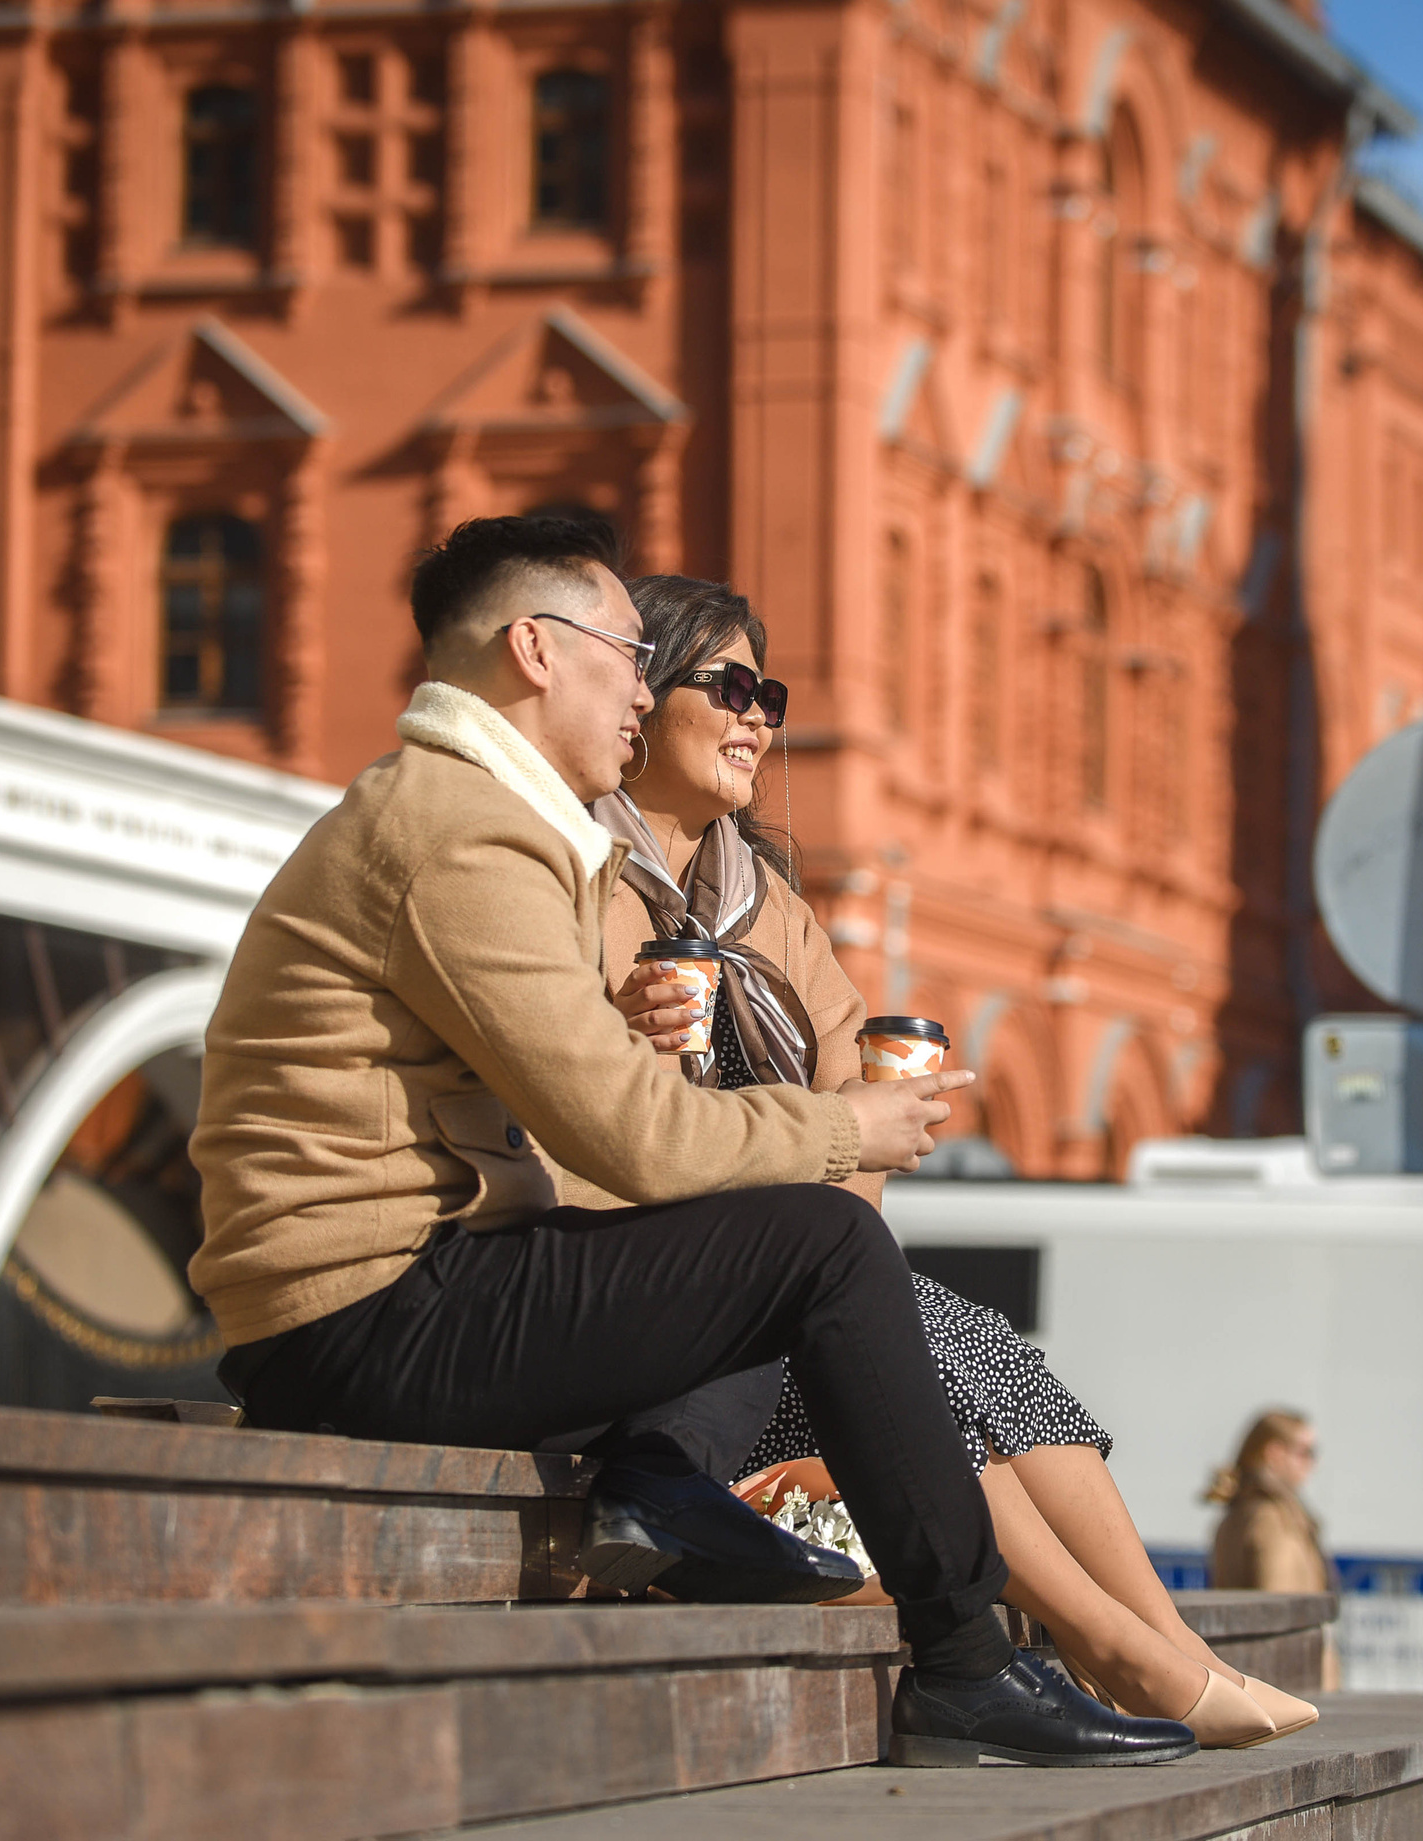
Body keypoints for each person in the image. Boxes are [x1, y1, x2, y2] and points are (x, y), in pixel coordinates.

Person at [186, 515, 1197, 1769]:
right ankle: (968, 1662)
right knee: (822, 1240)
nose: (642, 685)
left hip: (407, 1285)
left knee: (781, 1250)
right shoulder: (463, 829)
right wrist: (847, 1127)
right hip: (362, 1316)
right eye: (629, 653)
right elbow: (632, 1137)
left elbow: (578, 1106)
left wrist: (635, 1041)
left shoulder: (470, 815)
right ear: (536, 651)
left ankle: (668, 1486)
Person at [591, 573, 1320, 1749]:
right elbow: (597, 1124)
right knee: (919, 1333)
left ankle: (1162, 1643)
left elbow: (851, 1122)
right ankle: (1122, 1647)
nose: (757, 718)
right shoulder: (583, 874)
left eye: (767, 693)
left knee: (952, 1330)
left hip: (781, 1292)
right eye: (727, 686)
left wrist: (855, 1159)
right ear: (637, 694)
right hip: (653, 1304)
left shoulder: (763, 905)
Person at [1206, 1412, 1339, 1689]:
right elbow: (1280, 1614)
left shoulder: (1243, 1512)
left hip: (1261, 1677)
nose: (1314, 1463)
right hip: (1290, 1681)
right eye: (1306, 1452)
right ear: (1275, 1453)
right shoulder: (1271, 1520)